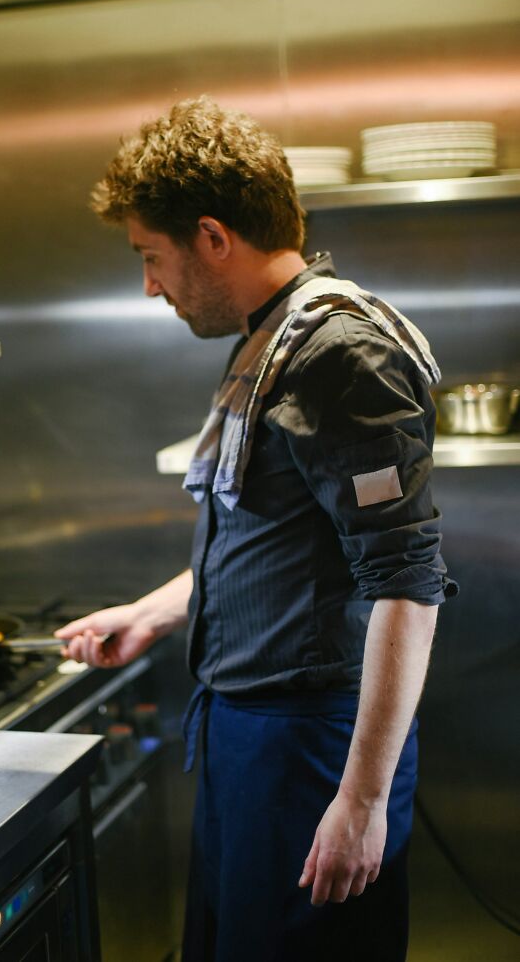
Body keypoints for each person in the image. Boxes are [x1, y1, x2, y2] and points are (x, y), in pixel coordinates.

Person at [55, 96, 457, 962]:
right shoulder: (271, 337)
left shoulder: (339, 353)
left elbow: (408, 585)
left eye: (150, 258)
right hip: (254, 739)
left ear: (212, 235)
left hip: (312, 747)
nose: (150, 286)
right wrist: (157, 612)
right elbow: (271, 538)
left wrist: (360, 799)